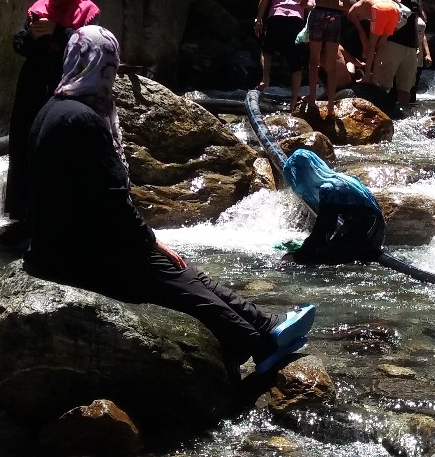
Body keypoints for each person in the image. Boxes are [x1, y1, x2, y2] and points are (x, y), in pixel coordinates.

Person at [24, 25, 316, 373]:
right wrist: (148, 242)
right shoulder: (83, 120)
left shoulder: (52, 108)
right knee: (174, 276)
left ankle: (267, 323)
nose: (113, 79)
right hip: (77, 257)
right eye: (112, 70)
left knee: (182, 268)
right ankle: (260, 344)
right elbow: (110, 202)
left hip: (58, 245)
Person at [4, 0, 100, 244]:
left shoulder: (87, 13)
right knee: (24, 142)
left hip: (67, 86)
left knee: (56, 144)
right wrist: (32, 36)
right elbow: (19, 45)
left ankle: (58, 212)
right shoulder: (37, 10)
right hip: (32, 88)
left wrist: (58, 32)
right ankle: (23, 213)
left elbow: (91, 47)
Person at [282, 149, 385, 265]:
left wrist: (300, 255)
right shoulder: (340, 179)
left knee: (309, 259)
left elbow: (323, 228)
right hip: (373, 231)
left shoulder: (329, 190)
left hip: (364, 235)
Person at [254, 0, 310, 106]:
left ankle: (265, 78)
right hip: (296, 19)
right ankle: (293, 100)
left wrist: (259, 20)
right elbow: (311, 5)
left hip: (276, 16)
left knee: (267, 49)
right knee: (296, 63)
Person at [299, 0, 350, 116]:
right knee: (332, 61)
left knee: (314, 61)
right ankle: (330, 106)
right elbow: (346, 5)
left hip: (318, 14)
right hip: (335, 18)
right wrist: (333, 6)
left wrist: (318, 6)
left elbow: (304, 3)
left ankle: (313, 100)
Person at [374, 0, 422, 105]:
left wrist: (418, 46)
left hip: (411, 47)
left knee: (406, 87)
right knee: (383, 84)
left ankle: (404, 116)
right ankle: (379, 112)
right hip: (393, 44)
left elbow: (416, 23)